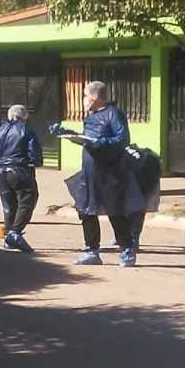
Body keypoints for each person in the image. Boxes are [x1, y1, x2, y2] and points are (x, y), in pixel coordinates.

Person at [63, 81, 145, 267]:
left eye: (84, 96)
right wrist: (71, 135)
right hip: (88, 172)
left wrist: (101, 142)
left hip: (109, 171)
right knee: (85, 210)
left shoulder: (113, 114)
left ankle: (127, 249)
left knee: (114, 211)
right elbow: (88, 140)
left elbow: (122, 139)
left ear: (94, 97)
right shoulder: (90, 115)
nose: (83, 100)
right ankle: (91, 250)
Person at [0, 104, 43, 253]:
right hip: (20, 170)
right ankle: (15, 233)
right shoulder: (26, 131)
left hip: (2, 172)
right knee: (27, 200)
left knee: (9, 205)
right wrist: (35, 163)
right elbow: (35, 154)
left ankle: (9, 236)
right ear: (24, 116)